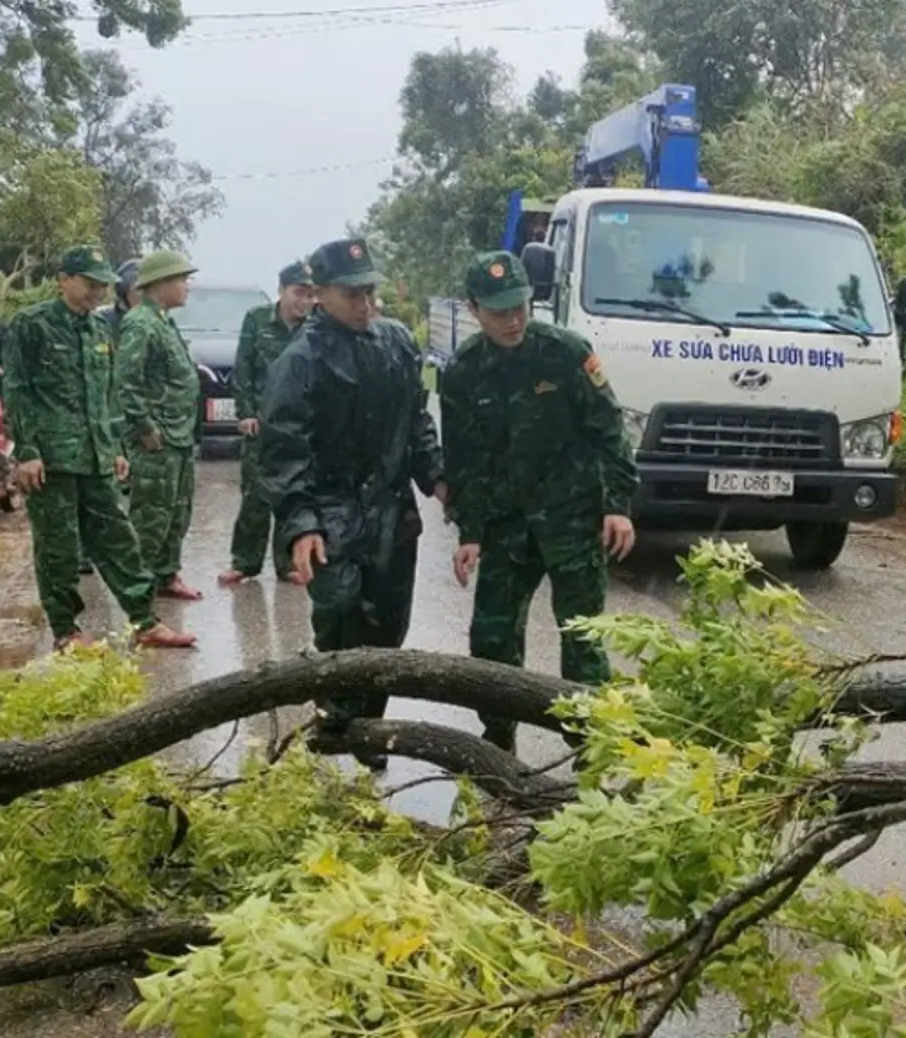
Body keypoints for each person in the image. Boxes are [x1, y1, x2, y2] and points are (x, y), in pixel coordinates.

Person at [439, 250, 638, 753]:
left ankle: (588, 750)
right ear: (474, 308)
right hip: (507, 526)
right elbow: (464, 461)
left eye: (521, 306)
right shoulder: (463, 371)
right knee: (492, 639)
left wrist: (617, 505)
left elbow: (610, 431)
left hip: (572, 520)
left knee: (582, 640)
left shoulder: (566, 353)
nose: (513, 320)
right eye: (500, 310)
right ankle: (498, 740)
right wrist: (469, 532)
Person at [257, 237, 444, 770]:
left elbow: (416, 422)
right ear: (320, 294)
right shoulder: (301, 360)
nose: (365, 304)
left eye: (371, 292)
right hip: (330, 509)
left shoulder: (397, 343)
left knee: (387, 626)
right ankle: (333, 720)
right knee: (340, 614)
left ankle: (368, 730)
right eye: (352, 294)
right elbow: (283, 449)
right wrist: (300, 525)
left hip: (390, 509)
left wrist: (435, 476)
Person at [2, 244, 195, 651]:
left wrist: (116, 448)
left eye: (103, 286)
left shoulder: (99, 329)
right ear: (64, 281)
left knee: (117, 539)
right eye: (90, 284)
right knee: (59, 548)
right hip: (51, 459)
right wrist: (28, 451)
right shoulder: (30, 324)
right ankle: (66, 631)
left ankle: (145, 621)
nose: (98, 293)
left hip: (96, 456)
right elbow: (17, 390)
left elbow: (106, 393)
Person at [220, 259, 318, 587]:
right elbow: (243, 368)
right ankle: (244, 562)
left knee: (294, 493)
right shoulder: (258, 319)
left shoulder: (316, 326)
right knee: (255, 495)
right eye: (298, 293)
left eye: (310, 294)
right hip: (262, 424)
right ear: (281, 291)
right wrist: (245, 413)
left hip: (300, 427)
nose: (305, 301)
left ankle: (288, 562)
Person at [117, 249, 204, 602]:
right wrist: (145, 427)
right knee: (151, 517)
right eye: (181, 280)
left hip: (178, 435)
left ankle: (167, 575)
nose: (187, 286)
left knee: (177, 512)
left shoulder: (164, 321)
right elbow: (125, 382)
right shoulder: (141, 323)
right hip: (159, 438)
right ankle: (139, 590)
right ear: (160, 284)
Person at [80, 258, 140, 577]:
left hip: (132, 413)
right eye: (136, 289)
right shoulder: (104, 323)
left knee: (131, 488)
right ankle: (84, 552)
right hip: (102, 414)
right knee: (100, 489)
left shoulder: (154, 322)